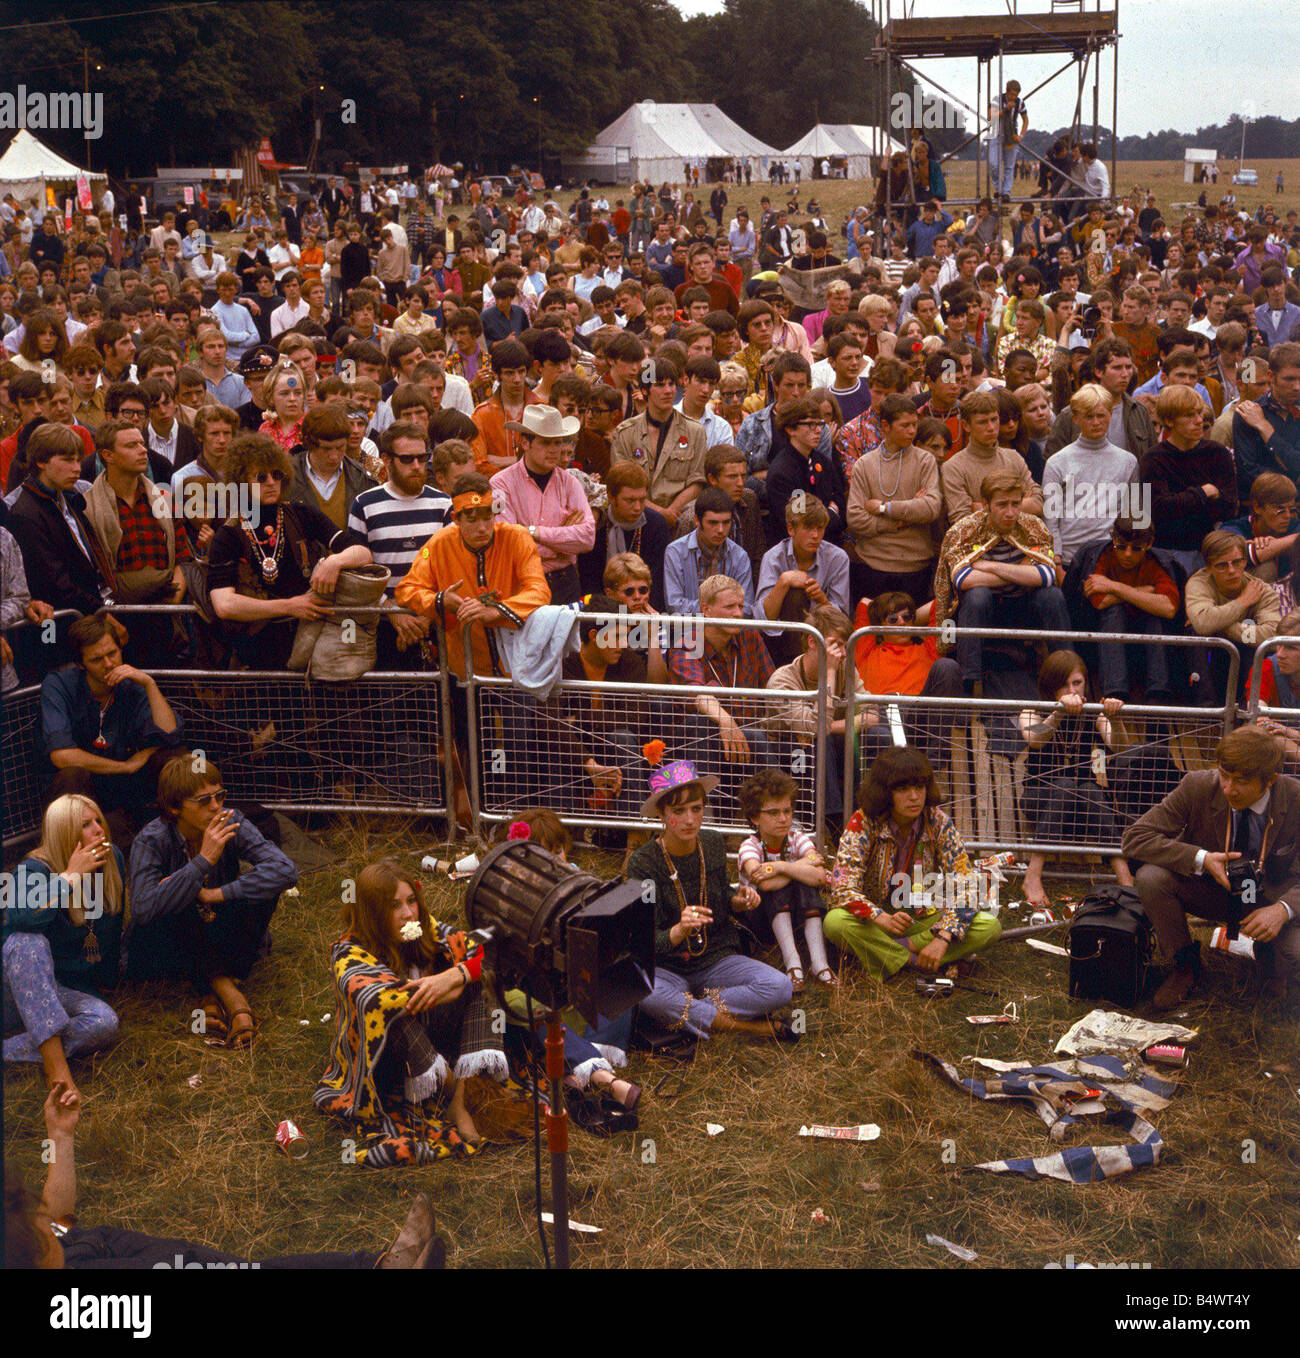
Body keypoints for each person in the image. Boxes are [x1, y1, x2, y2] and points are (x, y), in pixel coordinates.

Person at [314, 859, 514, 1166]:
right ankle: (452, 1087)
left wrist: (453, 977)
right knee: (390, 1011)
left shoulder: (426, 929)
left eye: (411, 902)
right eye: (394, 906)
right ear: (372, 913)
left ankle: (459, 1102)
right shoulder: (347, 951)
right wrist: (447, 984)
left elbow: (482, 952)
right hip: (388, 1061)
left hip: (435, 1035)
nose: (408, 913)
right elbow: (376, 997)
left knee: (483, 983)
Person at [126, 757, 297, 1050]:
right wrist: (200, 865)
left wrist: (213, 894)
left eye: (220, 796)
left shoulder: (230, 820)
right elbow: (142, 908)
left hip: (215, 926)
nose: (216, 807)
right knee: (175, 895)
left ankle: (208, 991)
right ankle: (231, 995)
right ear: (174, 807)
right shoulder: (151, 839)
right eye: (204, 801)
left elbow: (285, 870)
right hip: (170, 942)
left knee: (259, 890)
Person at [1123, 725, 1300, 1008]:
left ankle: (1272, 963)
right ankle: (1185, 966)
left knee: (1295, 953)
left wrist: (1282, 910)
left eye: (1241, 781)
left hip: (1269, 899)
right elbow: (1134, 838)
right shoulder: (1198, 785)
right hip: (1213, 891)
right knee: (1151, 878)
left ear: (1270, 780)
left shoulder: (1294, 797)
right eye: (1224, 775)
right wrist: (1202, 858)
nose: (1229, 788)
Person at [624, 761, 797, 1042]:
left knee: (780, 987)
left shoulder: (713, 843)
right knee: (648, 995)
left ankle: (692, 1009)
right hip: (667, 967)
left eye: (696, 808)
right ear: (662, 814)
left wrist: (738, 901)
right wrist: (679, 930)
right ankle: (748, 1028)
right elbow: (642, 941)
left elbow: (721, 897)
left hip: (717, 959)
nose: (690, 819)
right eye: (678, 812)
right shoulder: (643, 863)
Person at [825, 747, 1001, 980]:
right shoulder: (863, 822)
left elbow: (967, 884)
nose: (914, 796)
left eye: (919, 787)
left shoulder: (937, 821)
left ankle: (893, 954)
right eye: (903, 788)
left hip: (921, 917)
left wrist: (943, 937)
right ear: (885, 792)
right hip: (875, 921)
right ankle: (916, 962)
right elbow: (843, 888)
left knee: (989, 927)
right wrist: (880, 917)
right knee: (835, 922)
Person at [4, 795, 123, 1100]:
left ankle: (12, 1049)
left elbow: (111, 932)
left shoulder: (113, 861)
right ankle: (58, 1071)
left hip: (61, 990)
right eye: (85, 825)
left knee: (104, 1022)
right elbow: (21, 917)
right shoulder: (33, 870)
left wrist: (104, 983)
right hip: (15, 990)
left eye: (98, 820)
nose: (99, 829)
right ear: (64, 833)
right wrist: (69, 878)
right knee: (26, 942)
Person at [1016, 650, 1135, 909]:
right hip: (1041, 803)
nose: (1071, 690)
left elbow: (1120, 746)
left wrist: (1116, 720)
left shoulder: (1094, 713)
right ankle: (1032, 876)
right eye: (1064, 684)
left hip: (1082, 813)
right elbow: (1035, 737)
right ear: (1050, 687)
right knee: (1066, 785)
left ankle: (1126, 879)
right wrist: (1059, 712)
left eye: (1077, 683)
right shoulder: (1031, 711)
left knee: (1091, 790)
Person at [933, 472, 1068, 694]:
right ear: (986, 505)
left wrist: (990, 566)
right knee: (978, 595)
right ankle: (970, 683)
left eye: (1016, 504)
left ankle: (1065, 675)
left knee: (1052, 596)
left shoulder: (1033, 526)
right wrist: (1023, 571)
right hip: (979, 611)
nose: (1010, 512)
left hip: (1022, 605)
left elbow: (1046, 576)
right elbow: (963, 580)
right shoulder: (964, 530)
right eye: (1002, 505)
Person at [1065, 515, 1181, 701]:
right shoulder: (1099, 556)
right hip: (1100, 642)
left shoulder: (1157, 562)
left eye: (1136, 549)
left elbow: (1168, 608)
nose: (1127, 554)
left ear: (1149, 544)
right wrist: (1146, 592)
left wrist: (1114, 587)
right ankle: (1114, 693)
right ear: (1113, 539)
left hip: (1144, 644)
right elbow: (1099, 601)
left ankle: (1157, 695)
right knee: (1114, 612)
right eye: (1121, 546)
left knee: (1154, 617)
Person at [737, 768, 833, 991]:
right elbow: (765, 883)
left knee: (805, 885)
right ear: (754, 817)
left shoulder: (796, 837)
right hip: (760, 920)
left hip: (796, 915)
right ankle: (793, 965)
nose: (783, 819)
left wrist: (780, 867)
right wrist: (799, 869)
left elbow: (819, 875)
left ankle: (820, 964)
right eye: (773, 813)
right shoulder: (749, 846)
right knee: (785, 886)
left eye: (787, 811)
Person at [846, 393, 942, 602]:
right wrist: (897, 522)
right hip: (872, 565)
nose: (912, 431)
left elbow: (931, 508)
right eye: (904, 425)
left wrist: (884, 508)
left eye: (914, 424)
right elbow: (854, 518)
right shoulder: (865, 464)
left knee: (909, 631)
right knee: (872, 631)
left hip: (915, 566)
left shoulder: (925, 461)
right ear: (886, 426)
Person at [1042, 383, 1140, 566]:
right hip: (1070, 557)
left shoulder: (1128, 461)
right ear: (1075, 419)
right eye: (1089, 416)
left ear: (1111, 415)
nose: (1096, 422)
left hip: (1112, 556)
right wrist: (1055, 557)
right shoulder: (1057, 462)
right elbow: (1051, 517)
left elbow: (1134, 513)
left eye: (1101, 415)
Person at [608, 356, 707, 527]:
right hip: (637, 510)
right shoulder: (625, 432)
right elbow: (620, 483)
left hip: (680, 515)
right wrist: (659, 514)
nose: (668, 391)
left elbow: (697, 481)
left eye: (671, 384)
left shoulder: (695, 431)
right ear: (645, 390)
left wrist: (671, 512)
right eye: (660, 385)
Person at [755, 492, 849, 664]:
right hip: (780, 643)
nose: (815, 535)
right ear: (791, 529)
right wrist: (783, 582)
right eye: (808, 527)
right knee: (794, 594)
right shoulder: (773, 557)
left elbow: (842, 622)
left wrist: (822, 600)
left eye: (820, 528)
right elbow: (763, 621)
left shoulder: (837, 558)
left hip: (824, 639)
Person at [1185, 529, 1281, 698]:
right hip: (1212, 660)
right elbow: (1201, 624)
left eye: (1237, 562)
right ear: (1208, 567)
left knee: (1252, 634)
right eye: (1222, 565)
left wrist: (1222, 625)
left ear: (1245, 561)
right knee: (1194, 634)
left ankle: (1249, 710)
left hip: (1246, 656)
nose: (1231, 571)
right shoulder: (1199, 582)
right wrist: (1242, 602)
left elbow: (1272, 637)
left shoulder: (1260, 589)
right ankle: (1206, 713)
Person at [940, 390, 1043, 523]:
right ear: (966, 425)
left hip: (1019, 543)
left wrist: (979, 507)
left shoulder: (1013, 457)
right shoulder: (953, 467)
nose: (991, 427)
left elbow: (1038, 504)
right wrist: (1019, 505)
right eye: (982, 422)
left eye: (994, 419)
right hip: (979, 544)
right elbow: (961, 520)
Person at [663, 485, 755, 617]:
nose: (720, 530)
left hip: (727, 632)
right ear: (697, 520)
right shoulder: (676, 551)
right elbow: (675, 606)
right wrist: (723, 609)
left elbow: (747, 608)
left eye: (726, 522)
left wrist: (712, 610)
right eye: (713, 523)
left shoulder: (739, 556)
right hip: (688, 631)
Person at [288, 400, 376, 530]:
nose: (334, 456)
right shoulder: (284, 474)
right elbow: (252, 515)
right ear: (309, 444)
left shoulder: (362, 478)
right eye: (326, 449)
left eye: (340, 448)